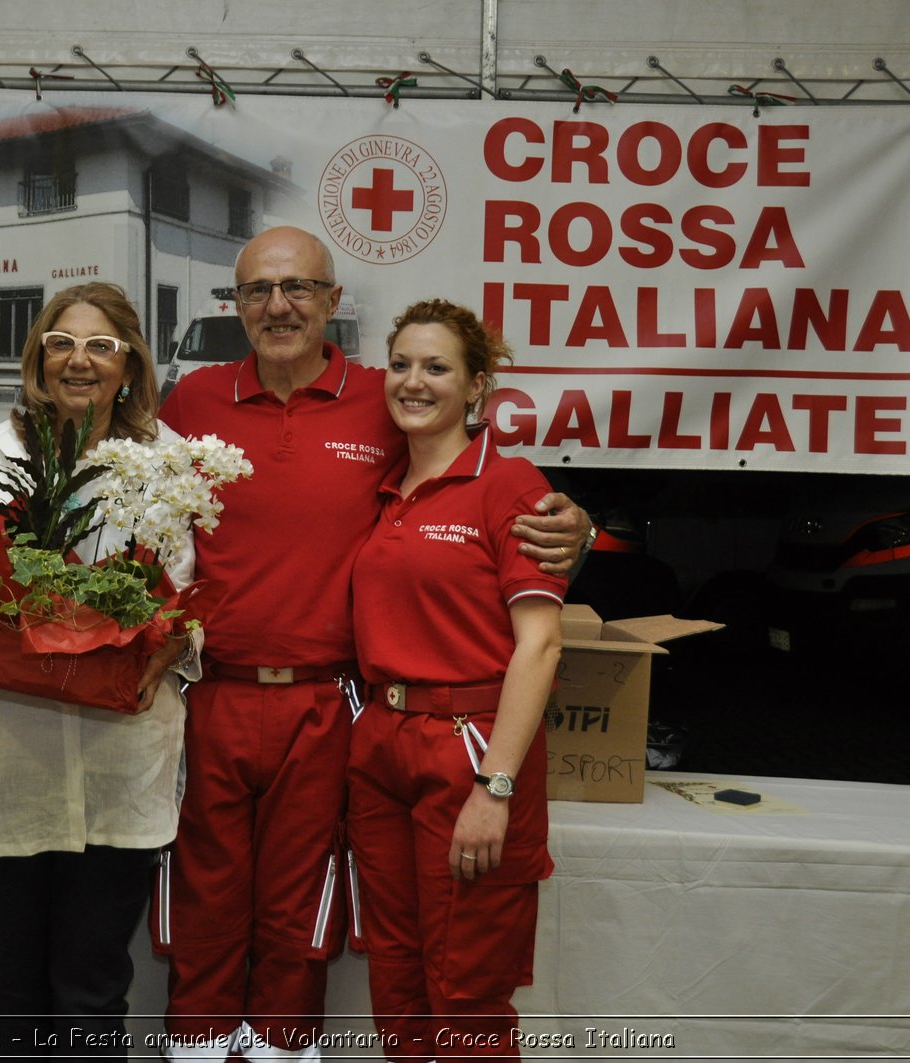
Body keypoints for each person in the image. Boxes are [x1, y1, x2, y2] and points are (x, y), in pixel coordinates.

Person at [153, 226, 592, 1061]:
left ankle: (281, 1048)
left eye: (298, 288)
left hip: (336, 704)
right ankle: (201, 1044)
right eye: (257, 290)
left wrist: (579, 522)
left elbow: (494, 492)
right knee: (229, 901)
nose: (278, 305)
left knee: (314, 906)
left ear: (332, 302)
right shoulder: (194, 404)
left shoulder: (383, 408)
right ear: (236, 304)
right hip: (226, 694)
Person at [0, 282, 198, 1059]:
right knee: (10, 986)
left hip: (123, 758)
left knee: (92, 982)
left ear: (130, 363)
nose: (81, 360)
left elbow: (179, 588)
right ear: (40, 357)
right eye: (62, 342)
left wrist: (172, 639)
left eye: (102, 345)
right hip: (11, 750)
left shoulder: (167, 461)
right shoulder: (3, 451)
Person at [347, 299, 565, 1059]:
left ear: (477, 386)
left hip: (470, 748)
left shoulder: (508, 484)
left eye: (437, 367)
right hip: (380, 745)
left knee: (467, 991)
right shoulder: (383, 489)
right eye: (401, 364)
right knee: (398, 981)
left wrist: (494, 785)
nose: (414, 380)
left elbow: (539, 644)